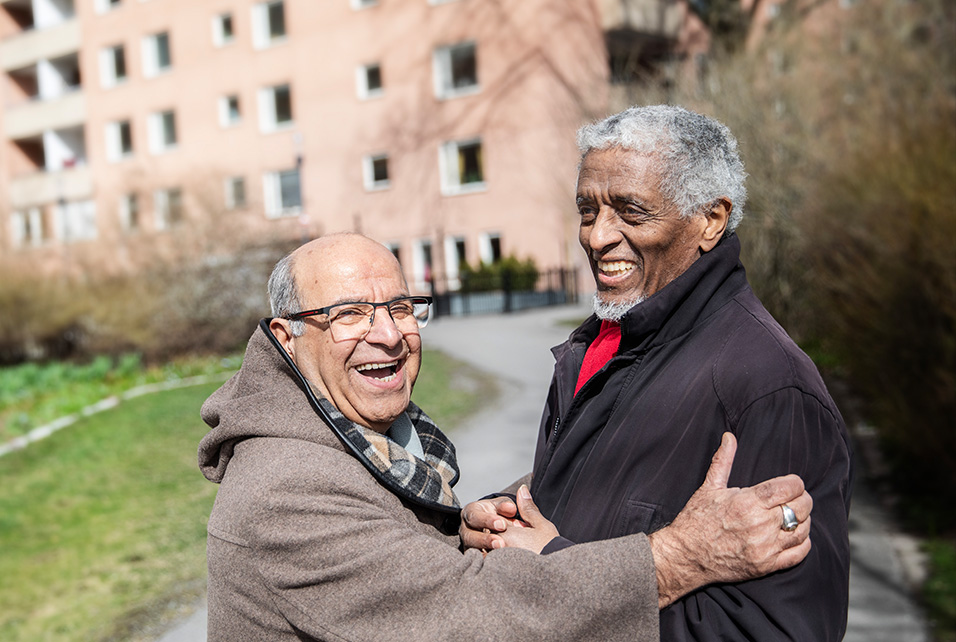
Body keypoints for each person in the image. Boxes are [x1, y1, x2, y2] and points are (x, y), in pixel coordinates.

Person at [198, 232, 814, 641]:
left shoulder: (353, 434)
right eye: (349, 314)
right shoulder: (285, 490)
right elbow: (468, 617)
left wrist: (457, 528)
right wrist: (680, 557)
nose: (387, 334)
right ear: (286, 338)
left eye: (401, 307)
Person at [461, 105, 854, 640]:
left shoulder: (767, 386)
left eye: (631, 211)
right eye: (587, 209)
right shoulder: (600, 343)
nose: (598, 236)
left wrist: (553, 565)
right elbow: (590, 504)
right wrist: (501, 519)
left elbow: (782, 630)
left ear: (710, 220)